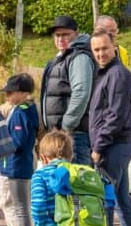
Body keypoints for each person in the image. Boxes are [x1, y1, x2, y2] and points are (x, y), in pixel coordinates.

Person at [87, 28, 131, 226]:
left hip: (113, 145)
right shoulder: (106, 73)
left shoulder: (117, 74)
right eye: (96, 50)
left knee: (104, 200)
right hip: (115, 143)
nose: (100, 53)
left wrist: (98, 147)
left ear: (114, 46)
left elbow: (115, 115)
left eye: (104, 49)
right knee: (121, 200)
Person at [40, 16, 95, 165]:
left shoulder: (79, 57)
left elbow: (81, 93)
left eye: (65, 34)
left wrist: (66, 126)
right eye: (57, 35)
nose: (60, 39)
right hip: (59, 135)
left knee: (76, 185)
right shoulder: (60, 58)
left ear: (76, 34)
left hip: (73, 136)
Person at [0, 73, 39, 226]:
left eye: (11, 92)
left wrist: (2, 142)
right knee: (20, 206)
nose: (7, 96)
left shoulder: (22, 111)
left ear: (23, 93)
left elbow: (19, 141)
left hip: (16, 166)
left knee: (20, 207)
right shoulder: (24, 108)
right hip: (15, 165)